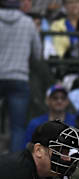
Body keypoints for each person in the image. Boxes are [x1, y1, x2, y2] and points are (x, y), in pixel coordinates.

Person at [0, 0, 41, 152]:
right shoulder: (28, 22)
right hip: (19, 77)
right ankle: (14, 164)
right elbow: (38, 53)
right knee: (17, 127)